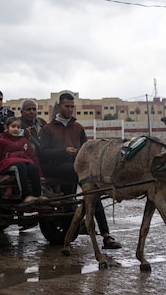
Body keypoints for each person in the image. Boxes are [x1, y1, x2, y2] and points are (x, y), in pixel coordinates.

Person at [39, 92, 121, 249]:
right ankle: (103, 233)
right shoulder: (48, 129)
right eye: (66, 106)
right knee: (91, 186)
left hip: (75, 166)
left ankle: (105, 235)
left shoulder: (78, 128)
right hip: (54, 168)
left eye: (72, 106)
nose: (70, 109)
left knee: (93, 192)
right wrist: (64, 151)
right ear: (59, 106)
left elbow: (86, 149)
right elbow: (42, 153)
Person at [0, 116, 45, 203]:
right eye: (13, 126)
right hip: (7, 165)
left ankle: (38, 194)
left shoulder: (24, 141)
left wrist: (40, 175)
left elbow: (33, 157)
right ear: (6, 128)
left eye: (18, 127)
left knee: (33, 166)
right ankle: (25, 195)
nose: (16, 129)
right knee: (20, 166)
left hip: (24, 163)